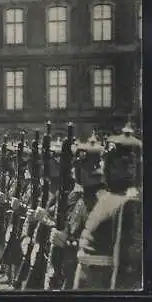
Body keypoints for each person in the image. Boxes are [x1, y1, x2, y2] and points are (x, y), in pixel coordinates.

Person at [73, 123, 142, 290]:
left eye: (109, 164)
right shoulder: (107, 198)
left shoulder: (128, 202)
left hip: (100, 284)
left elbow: (125, 268)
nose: (103, 168)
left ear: (128, 169)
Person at [49, 131, 105, 290]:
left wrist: (67, 241)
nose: (75, 171)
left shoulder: (100, 201)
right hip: (72, 275)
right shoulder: (84, 197)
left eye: (80, 166)